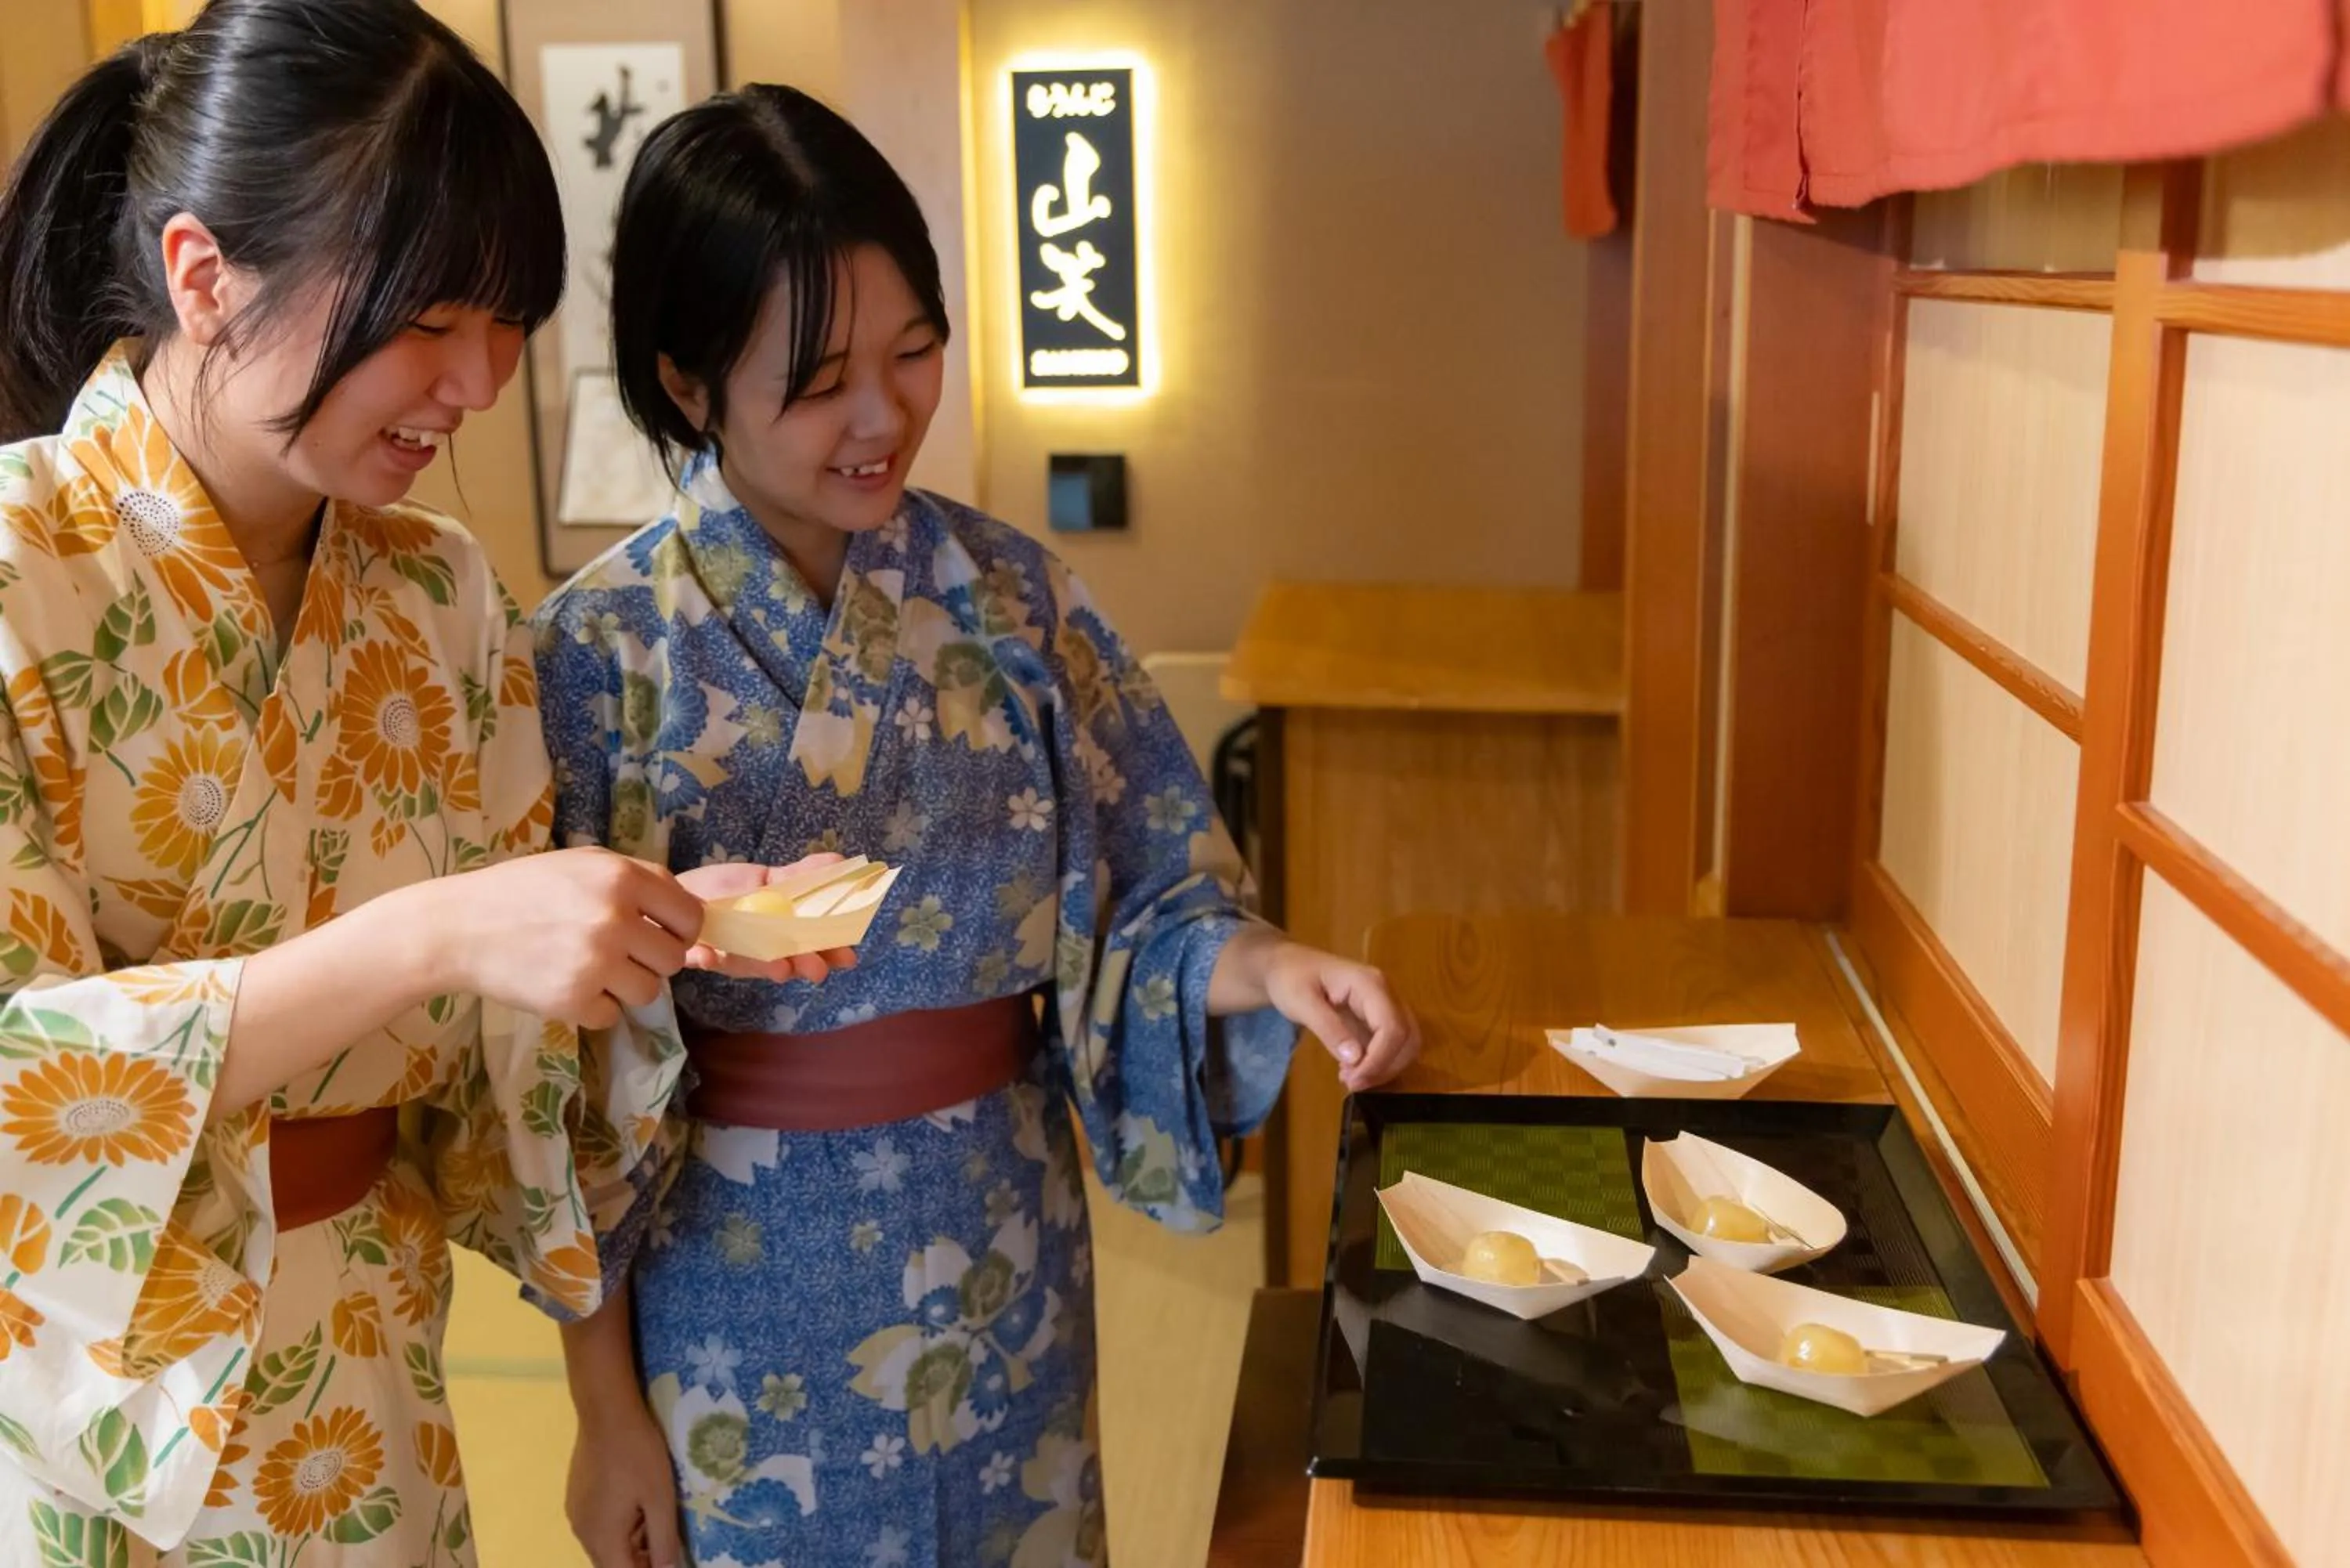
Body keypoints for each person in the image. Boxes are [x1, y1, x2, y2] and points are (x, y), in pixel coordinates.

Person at [0, 5, 846, 1563]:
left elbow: (511, 1063)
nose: (478, 380)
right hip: (101, 1433)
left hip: (377, 1392)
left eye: (509, 318)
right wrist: (445, 933)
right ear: (205, 275)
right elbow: (18, 1073)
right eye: (429, 317)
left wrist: (655, 924)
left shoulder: (437, 593)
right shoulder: (15, 568)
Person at [536, 85, 1421, 1568]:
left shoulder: (1012, 601)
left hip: (1002, 1248)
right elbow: (552, 1087)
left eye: (912, 350)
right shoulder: (596, 653)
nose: (883, 415)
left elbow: (1147, 893)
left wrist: (1263, 968)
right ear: (690, 383)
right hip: (734, 1295)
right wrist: (602, 1405)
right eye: (818, 381)